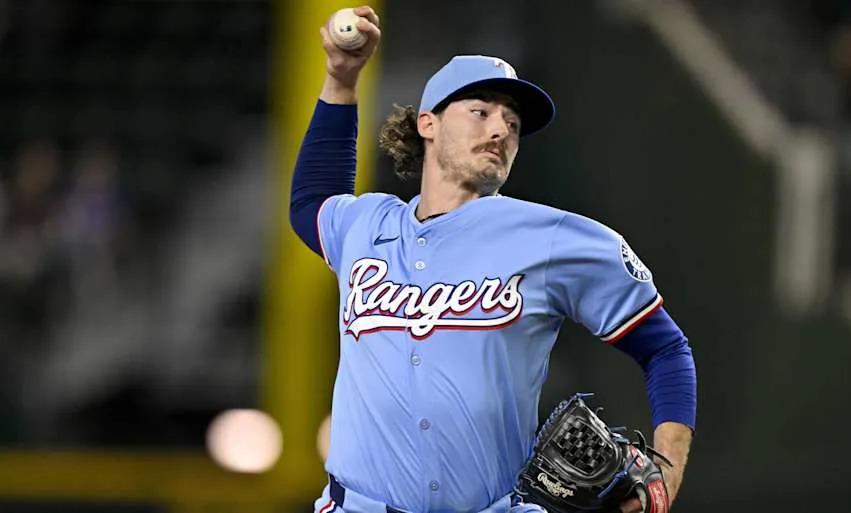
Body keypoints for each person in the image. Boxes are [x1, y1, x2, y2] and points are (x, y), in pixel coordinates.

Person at [290, 6, 696, 513]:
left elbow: (665, 349)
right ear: (428, 123)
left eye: (513, 123)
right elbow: (311, 201)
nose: (501, 130)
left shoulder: (554, 238)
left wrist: (667, 475)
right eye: (480, 112)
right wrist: (341, 78)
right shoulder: (366, 226)